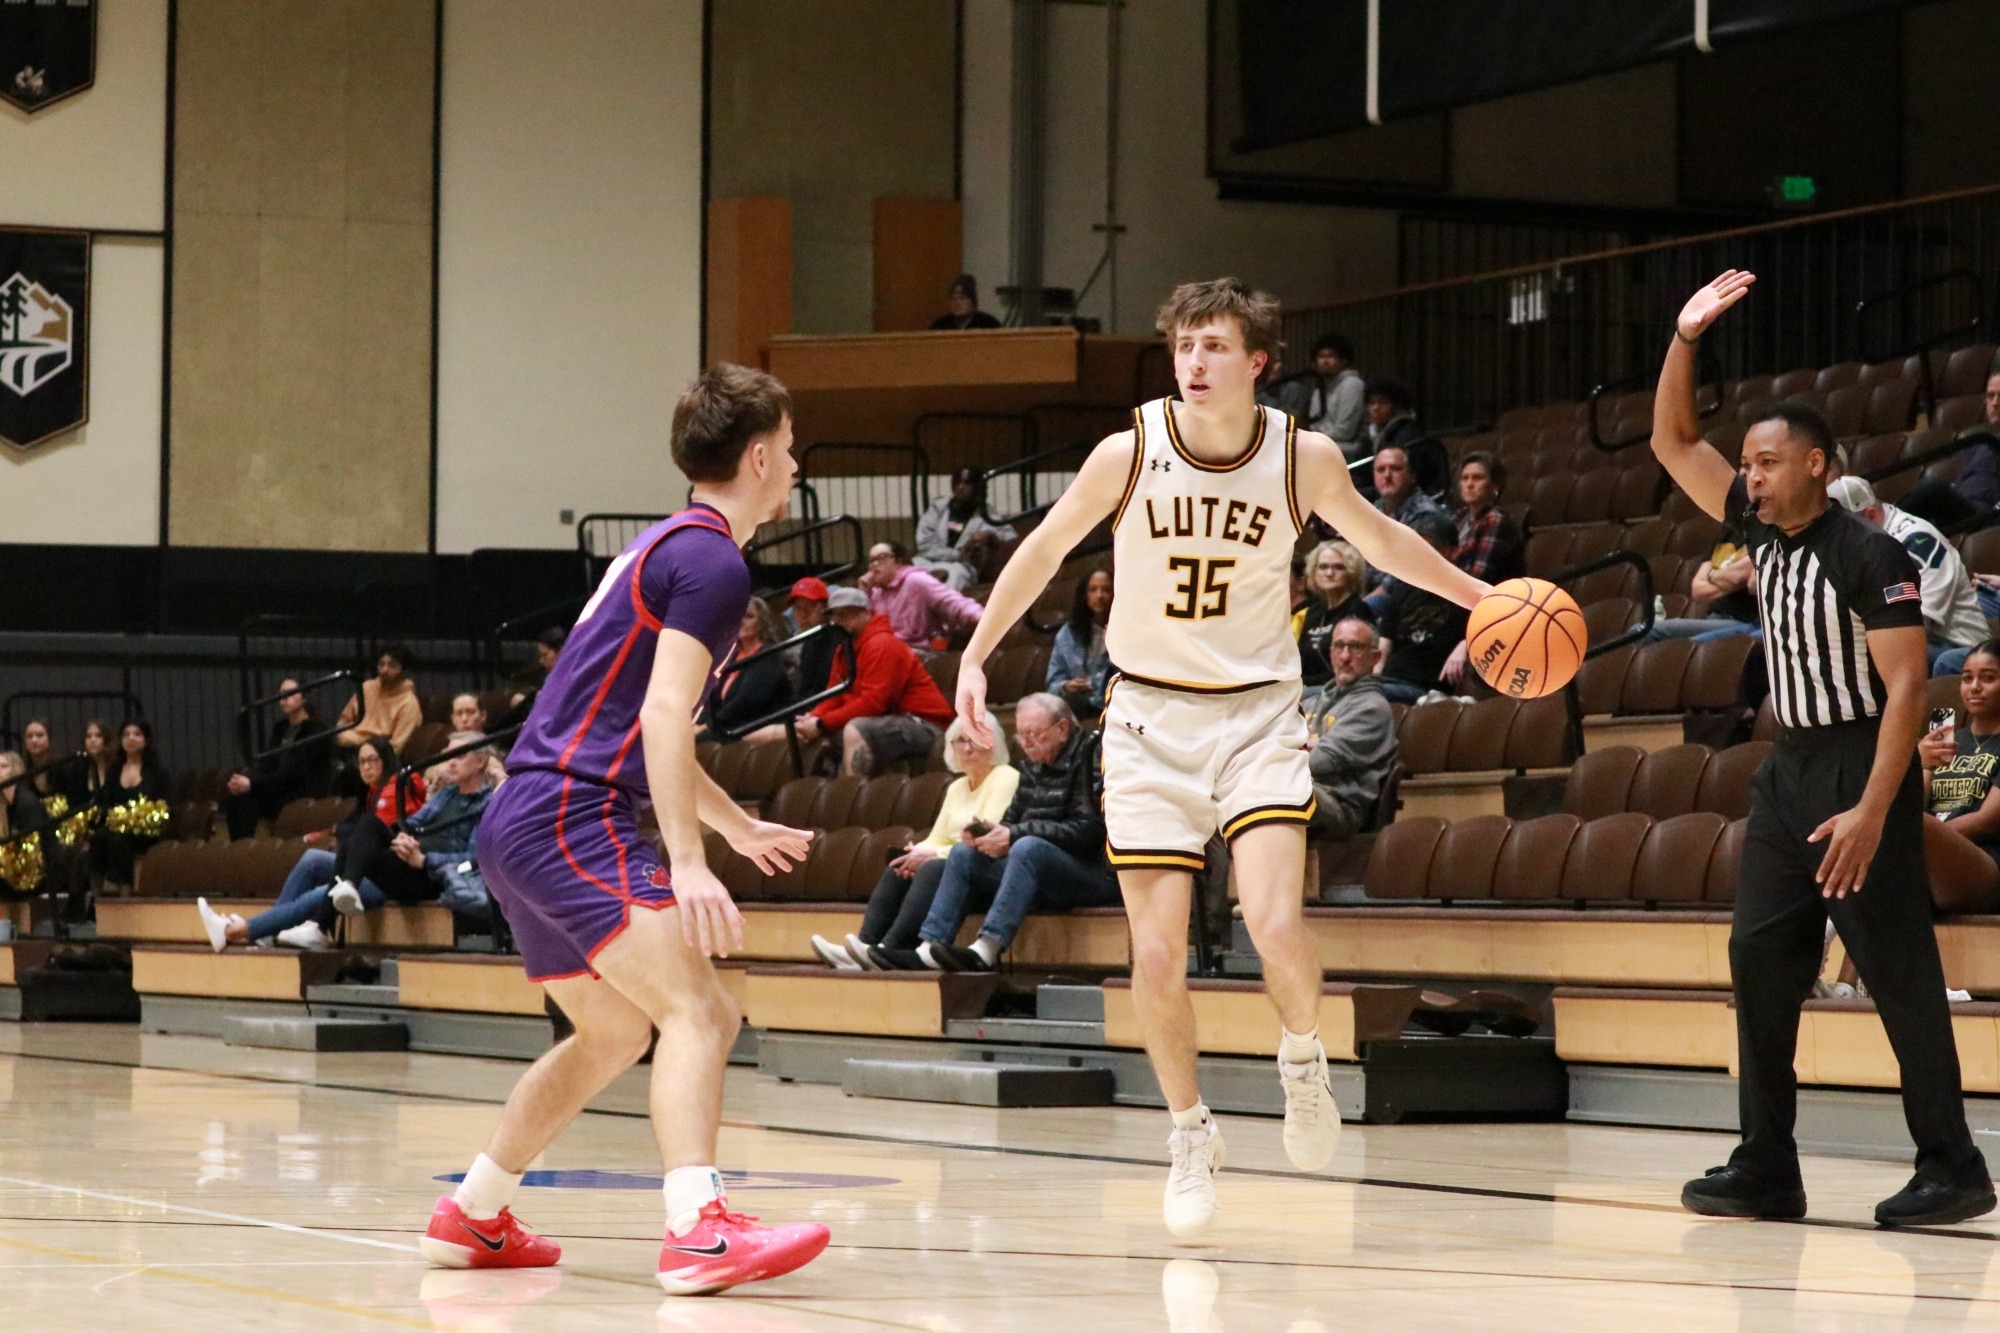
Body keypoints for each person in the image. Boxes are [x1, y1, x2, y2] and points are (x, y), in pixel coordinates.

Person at [953, 276, 1492, 1237]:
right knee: (1158, 953)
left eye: (1214, 346)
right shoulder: (1128, 451)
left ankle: (1302, 1055)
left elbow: (1383, 540)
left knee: (1276, 924)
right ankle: (1190, 1132)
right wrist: (974, 652)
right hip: (1148, 724)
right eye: (1184, 346)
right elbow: (1042, 549)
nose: (1194, 362)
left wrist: (1480, 597)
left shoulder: (1301, 456)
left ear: (1257, 362)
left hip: (1256, 718)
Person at [419, 363, 829, 1294]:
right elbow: (660, 717)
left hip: (522, 817)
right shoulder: (715, 562)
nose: (795, 465)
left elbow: (648, 725)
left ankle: (474, 1211)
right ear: (758, 458)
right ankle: (698, 1231)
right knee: (702, 1010)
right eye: (789, 447)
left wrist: (733, 825)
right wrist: (688, 860)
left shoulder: (665, 547)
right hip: (570, 814)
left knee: (610, 1032)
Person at [1654, 269, 1992, 1228]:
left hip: (1859, 766)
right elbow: (1672, 440)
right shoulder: (1756, 530)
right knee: (1758, 960)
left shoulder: (1870, 555)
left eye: (1767, 462)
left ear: (1816, 464)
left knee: (1898, 973)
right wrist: (1685, 338)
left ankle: (1954, 1165)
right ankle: (1767, 1164)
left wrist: (1877, 810)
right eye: (1747, 464)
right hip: (1789, 771)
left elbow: (1907, 690)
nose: (1750, 476)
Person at [893, 693, 1117, 972]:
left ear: (1062, 729)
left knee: (1027, 846)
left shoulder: (1092, 755)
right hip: (1037, 870)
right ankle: (929, 946)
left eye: (1034, 734)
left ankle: (987, 948)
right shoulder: (1031, 766)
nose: (1027, 743)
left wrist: (1014, 836)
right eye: (1022, 735)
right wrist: (988, 835)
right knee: (963, 852)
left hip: (1091, 873)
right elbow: (1011, 822)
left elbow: (1090, 830)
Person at [809, 717, 1019, 970]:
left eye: (975, 741)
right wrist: (914, 854)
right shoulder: (957, 787)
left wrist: (931, 856)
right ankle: (864, 946)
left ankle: (891, 948)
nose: (967, 748)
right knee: (899, 867)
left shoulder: (1005, 777)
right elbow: (937, 837)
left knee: (931, 868)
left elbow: (985, 839)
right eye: (960, 741)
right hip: (952, 863)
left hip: (983, 870)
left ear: (993, 744)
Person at [750, 587, 954, 777]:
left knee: (856, 729)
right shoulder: (844, 649)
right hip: (889, 720)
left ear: (866, 612)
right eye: (837, 615)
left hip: (925, 724)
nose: (842, 621)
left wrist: (821, 723)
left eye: (850, 614)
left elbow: (874, 703)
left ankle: (850, 793)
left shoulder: (882, 644)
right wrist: (814, 717)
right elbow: (834, 694)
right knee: (807, 731)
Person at [1824, 477, 1987, 671]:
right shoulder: (1867, 547)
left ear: (1870, 515)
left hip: (1958, 647)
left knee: (1868, 657)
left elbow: (1915, 618)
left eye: (1845, 530)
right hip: (1913, 639)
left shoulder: (1918, 540)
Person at [1917, 642, 2000, 914]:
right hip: (1927, 856)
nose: (1974, 687)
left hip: (1984, 860)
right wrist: (1922, 765)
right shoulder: (1945, 737)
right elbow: (1917, 805)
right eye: (1966, 678)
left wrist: (1923, 839)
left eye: (1988, 678)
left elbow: (1987, 821)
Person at [1304, 619, 1398, 843]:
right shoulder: (1309, 704)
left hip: (1341, 807)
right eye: (1339, 646)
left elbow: (1320, 760)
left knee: (1281, 792)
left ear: (1375, 657)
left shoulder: (1372, 708)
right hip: (1306, 790)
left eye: (1356, 647)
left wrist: (1292, 748)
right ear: (1331, 654)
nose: (1345, 657)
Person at [1373, 510, 1473, 704]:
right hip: (1389, 681)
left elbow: (1493, 630)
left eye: (1431, 547)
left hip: (1426, 688)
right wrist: (1371, 680)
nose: (1422, 554)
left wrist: (1466, 645)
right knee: (1320, 696)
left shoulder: (1468, 590)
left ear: (1454, 551)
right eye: (1417, 547)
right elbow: (1384, 643)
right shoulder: (1401, 587)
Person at [224, 678, 332, 840]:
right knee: (237, 797)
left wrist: (252, 784)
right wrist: (246, 781)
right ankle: (240, 848)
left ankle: (245, 847)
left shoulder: (315, 730)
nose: (284, 699)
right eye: (282, 695)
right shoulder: (281, 728)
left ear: (304, 698)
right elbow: (267, 763)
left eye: (290, 694)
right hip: (278, 787)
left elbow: (292, 773)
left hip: (298, 790)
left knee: (248, 798)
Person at [90, 719, 170, 892]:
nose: (131, 738)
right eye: (126, 735)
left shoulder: (157, 771)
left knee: (118, 841)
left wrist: (141, 819)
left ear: (146, 740)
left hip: (146, 831)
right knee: (99, 838)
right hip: (118, 828)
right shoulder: (114, 770)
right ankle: (96, 896)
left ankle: (125, 895)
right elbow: (107, 803)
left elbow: (163, 804)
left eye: (137, 734)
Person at [699, 597, 793, 740]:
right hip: (732, 724)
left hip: (756, 724)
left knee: (696, 740)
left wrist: (708, 726)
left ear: (762, 622)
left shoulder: (768, 655)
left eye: (748, 616)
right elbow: (714, 699)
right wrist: (699, 723)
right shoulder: (732, 657)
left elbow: (746, 702)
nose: (741, 621)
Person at [860, 541, 984, 648]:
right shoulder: (875, 592)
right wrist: (864, 595)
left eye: (881, 558)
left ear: (898, 562)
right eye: (871, 560)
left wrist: (984, 619)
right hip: (886, 649)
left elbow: (952, 602)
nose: (874, 564)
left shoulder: (916, 580)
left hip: (917, 651)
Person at [913, 467, 1015, 591]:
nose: (961, 487)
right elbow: (924, 544)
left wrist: (990, 536)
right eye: (957, 482)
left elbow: (1010, 537)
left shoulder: (987, 514)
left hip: (962, 567)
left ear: (978, 488)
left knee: (955, 576)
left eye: (967, 483)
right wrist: (958, 554)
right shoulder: (937, 509)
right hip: (928, 561)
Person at [1294, 540, 1372, 690]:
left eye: (1338, 567)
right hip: (1305, 687)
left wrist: (1300, 685)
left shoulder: (1357, 610)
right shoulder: (1313, 611)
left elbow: (1352, 667)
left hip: (1339, 688)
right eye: (1323, 567)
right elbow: (1300, 662)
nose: (1329, 573)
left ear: (1351, 572)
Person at [1046, 566, 1114, 720]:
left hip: (1116, 704)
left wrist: (1115, 648)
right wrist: (1066, 686)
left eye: (1106, 590)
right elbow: (1052, 685)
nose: (1099, 596)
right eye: (1093, 590)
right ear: (1084, 595)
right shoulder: (1068, 633)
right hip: (1080, 705)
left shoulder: (1126, 629)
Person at [1451, 452, 1525, 584]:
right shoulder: (1458, 517)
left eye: (1477, 478)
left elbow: (1480, 578)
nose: (1469, 484)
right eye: (1465, 478)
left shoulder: (1496, 520)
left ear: (1495, 485)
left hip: (1490, 595)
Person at [336, 644, 422, 753]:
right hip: (346, 748)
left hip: (378, 756)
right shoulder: (366, 687)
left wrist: (365, 745)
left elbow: (396, 747)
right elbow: (343, 721)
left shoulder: (409, 704)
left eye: (392, 665)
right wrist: (343, 737)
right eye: (381, 664)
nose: (384, 670)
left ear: (404, 671)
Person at [1299, 334, 1365, 458]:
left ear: (1344, 360)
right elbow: (1313, 424)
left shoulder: (1351, 384)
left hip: (1349, 449)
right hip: (1323, 445)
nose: (1325, 361)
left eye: (1331, 356)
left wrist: (1313, 439)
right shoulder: (1320, 389)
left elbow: (1345, 431)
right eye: (1321, 356)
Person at [930, 273, 1001, 330]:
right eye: (953, 299)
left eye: (962, 298)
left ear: (973, 301)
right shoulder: (940, 325)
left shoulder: (988, 323)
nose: (957, 303)